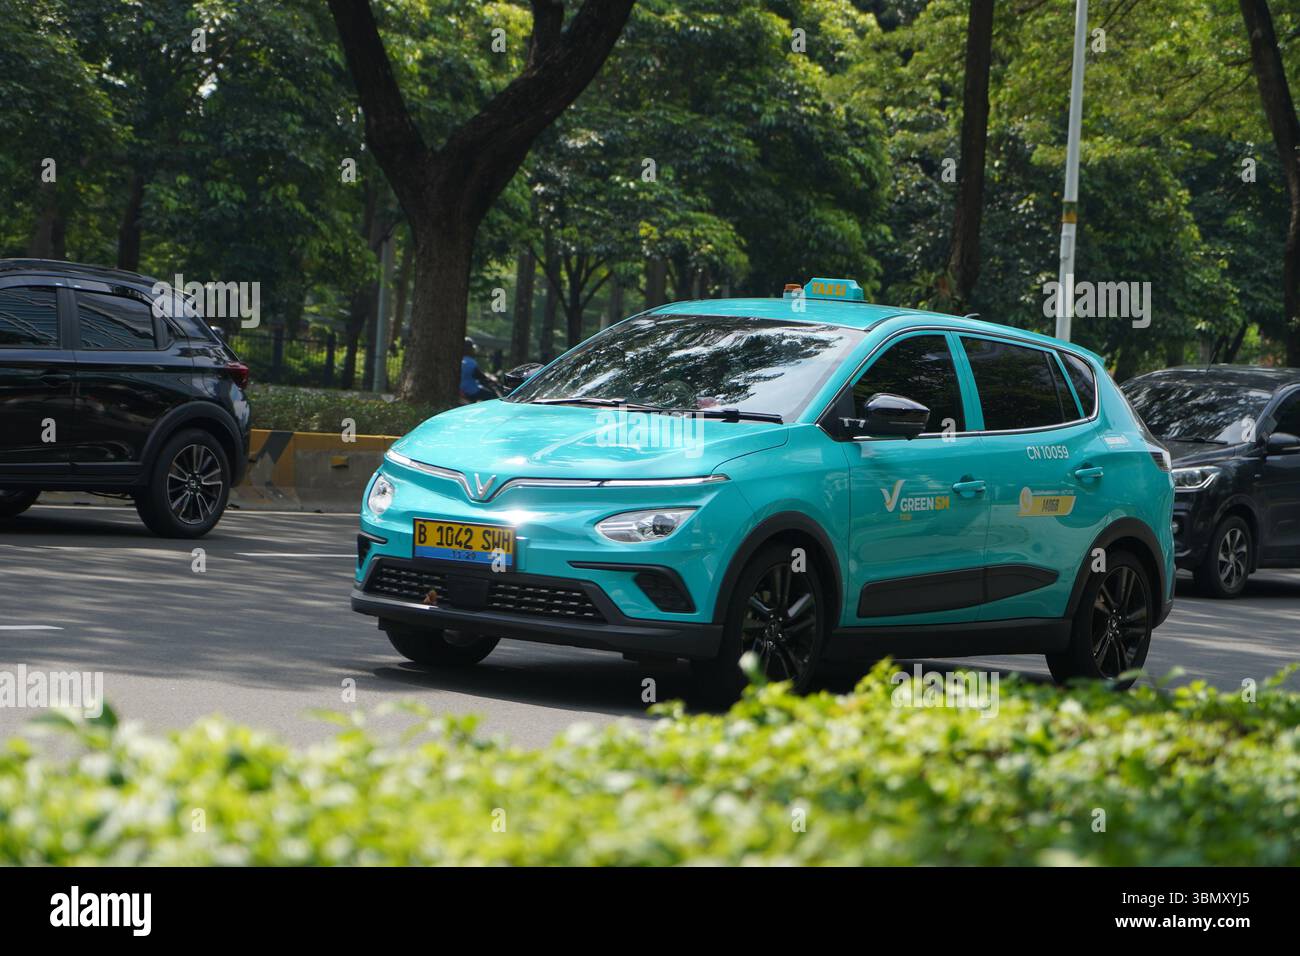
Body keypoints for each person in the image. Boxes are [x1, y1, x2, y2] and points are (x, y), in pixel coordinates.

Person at [460, 336, 500, 402]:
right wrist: (491, 379)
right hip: (470, 390)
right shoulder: (470, 361)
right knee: (492, 396)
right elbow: (480, 376)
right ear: (469, 349)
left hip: (461, 389)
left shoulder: (459, 360)